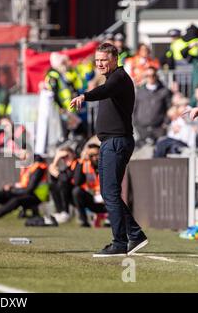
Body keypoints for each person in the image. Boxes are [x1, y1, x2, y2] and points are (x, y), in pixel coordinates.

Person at [70, 43, 148, 257]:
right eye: (97, 60)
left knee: (111, 193)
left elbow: (104, 91)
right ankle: (135, 234)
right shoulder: (112, 79)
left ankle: (120, 242)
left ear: (115, 59)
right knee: (107, 193)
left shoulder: (119, 78)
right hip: (109, 142)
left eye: (104, 60)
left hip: (116, 142)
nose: (100, 64)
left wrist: (84, 96)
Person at [72, 143, 107, 227]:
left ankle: (108, 219)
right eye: (91, 155)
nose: (95, 158)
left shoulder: (107, 164)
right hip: (93, 199)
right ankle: (84, 221)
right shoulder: (85, 164)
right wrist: (81, 160)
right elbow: (77, 182)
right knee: (76, 191)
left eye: (96, 154)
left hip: (107, 201)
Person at [48, 146, 77, 224]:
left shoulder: (78, 163)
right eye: (63, 158)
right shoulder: (67, 168)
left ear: (73, 154)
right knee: (52, 185)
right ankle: (60, 212)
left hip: (80, 193)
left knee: (62, 183)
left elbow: (65, 179)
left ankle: (65, 212)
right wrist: (56, 159)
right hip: (72, 194)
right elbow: (53, 178)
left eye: (66, 156)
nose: (65, 159)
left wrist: (57, 174)